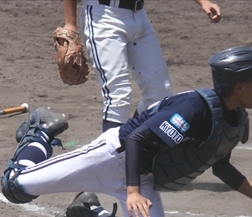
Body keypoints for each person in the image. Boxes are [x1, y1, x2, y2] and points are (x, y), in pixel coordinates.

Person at [1, 46, 252, 217]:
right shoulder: (194, 108)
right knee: (13, 186)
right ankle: (41, 131)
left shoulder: (232, 119)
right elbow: (137, 138)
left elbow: (222, 167)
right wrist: (132, 191)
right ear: (240, 86)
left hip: (142, 177)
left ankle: (86, 212)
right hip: (112, 158)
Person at [62, 0, 222, 132]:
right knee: (118, 98)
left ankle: (134, 144)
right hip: (103, 17)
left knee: (160, 95)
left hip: (139, 16)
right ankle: (111, 156)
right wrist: (70, 23)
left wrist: (204, 2)